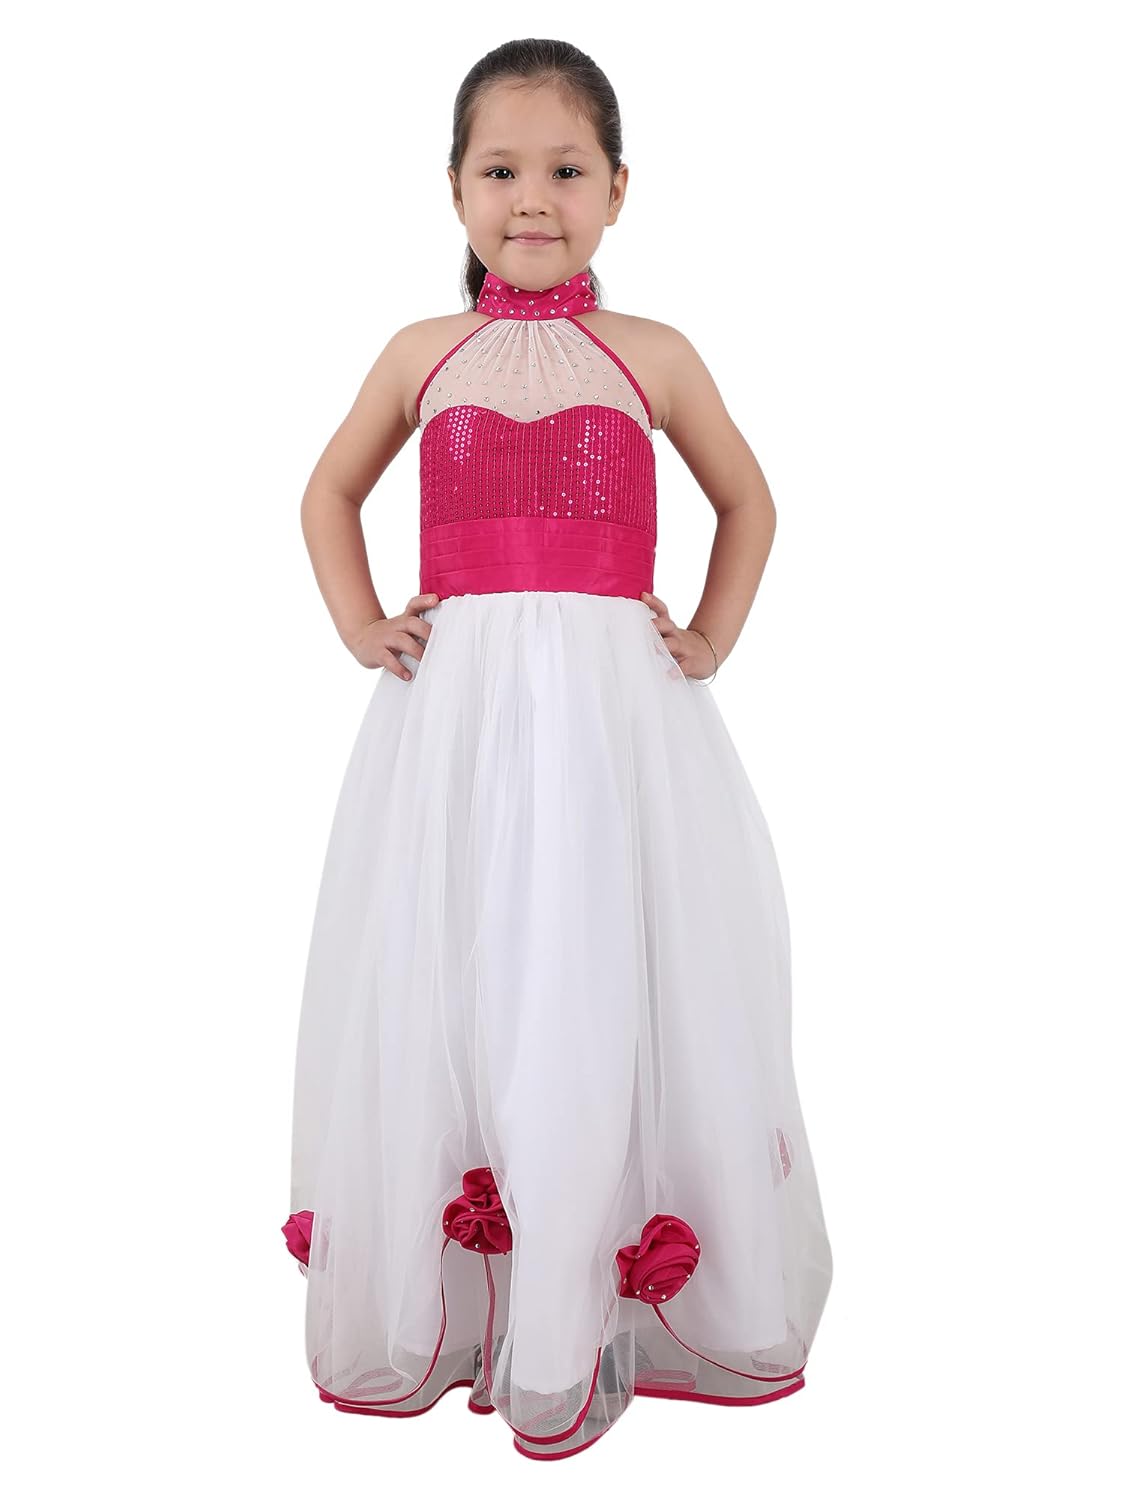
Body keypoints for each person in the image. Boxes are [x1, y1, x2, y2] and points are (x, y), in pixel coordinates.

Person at [281, 37, 832, 1462]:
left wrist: (707, 638)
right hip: (457, 723)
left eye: (567, 170)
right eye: (502, 170)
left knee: (592, 973)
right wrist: (362, 626)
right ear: (455, 189)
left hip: (613, 725)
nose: (534, 198)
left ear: (618, 189)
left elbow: (750, 502)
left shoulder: (655, 355)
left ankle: (580, 1319)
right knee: (465, 969)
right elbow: (329, 491)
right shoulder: (421, 353)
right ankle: (482, 1303)